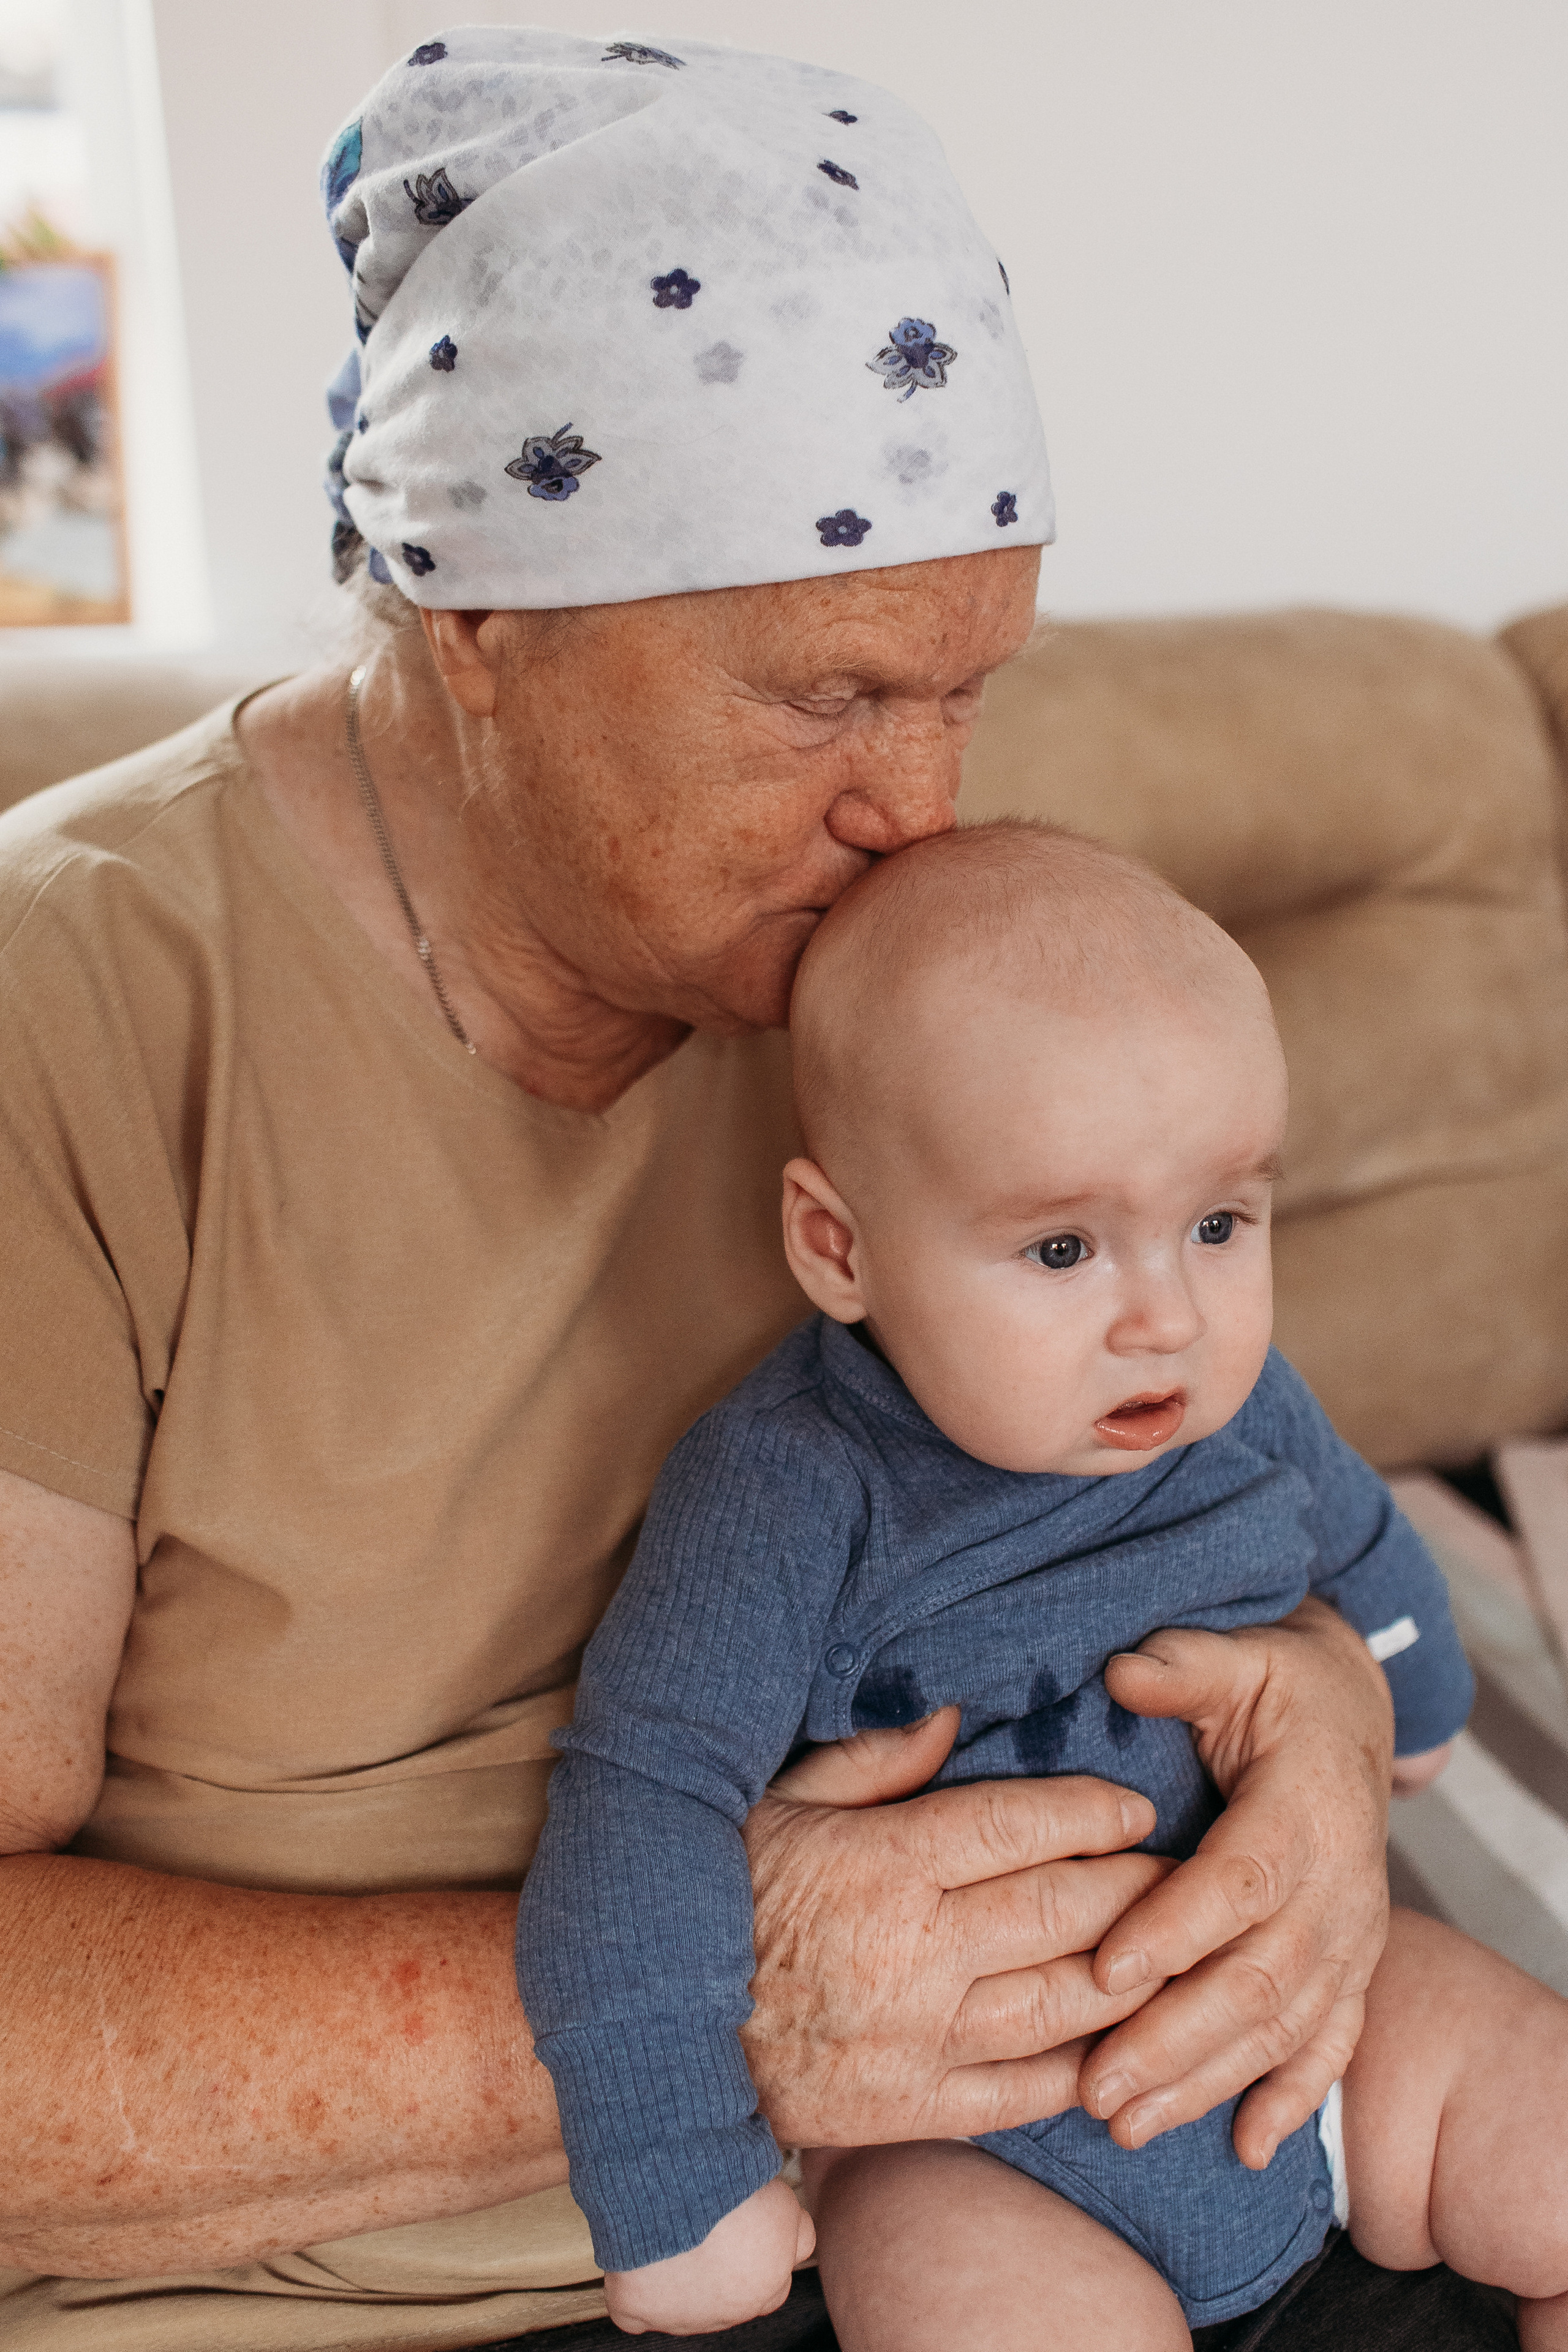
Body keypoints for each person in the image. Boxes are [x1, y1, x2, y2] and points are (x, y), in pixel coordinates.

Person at [0, 26, 1509, 2352]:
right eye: (823, 702)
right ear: (475, 622)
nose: (916, 804)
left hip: (1078, 2139)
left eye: (965, 695)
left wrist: (1311, 1708)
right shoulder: (66, 1015)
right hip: (399, 2290)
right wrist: (716, 2007)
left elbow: (1170, 1436)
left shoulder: (920, 964)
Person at [521, 821, 1568, 2350]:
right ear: (839, 1248)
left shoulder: (1238, 1393)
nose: (1164, 1318)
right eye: (1063, 1248)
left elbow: (1353, 1541)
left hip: (1312, 2032)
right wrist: (674, 2177)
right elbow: (640, 1808)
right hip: (977, 2144)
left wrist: (1408, 1694)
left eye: (1218, 1225)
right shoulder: (788, 1486)